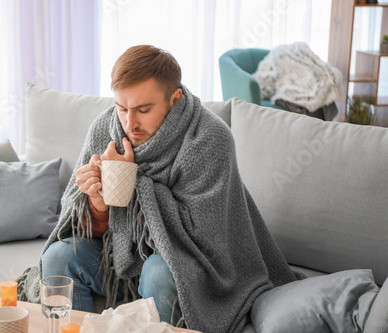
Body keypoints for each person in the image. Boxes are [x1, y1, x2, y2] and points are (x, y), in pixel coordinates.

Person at [19, 45, 299, 333]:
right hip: (118, 263)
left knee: (159, 274)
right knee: (58, 257)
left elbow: (205, 238)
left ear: (174, 99)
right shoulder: (105, 129)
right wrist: (96, 202)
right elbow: (82, 229)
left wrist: (133, 183)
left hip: (191, 268)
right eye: (122, 107)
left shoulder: (209, 139)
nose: (130, 123)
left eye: (143, 109)